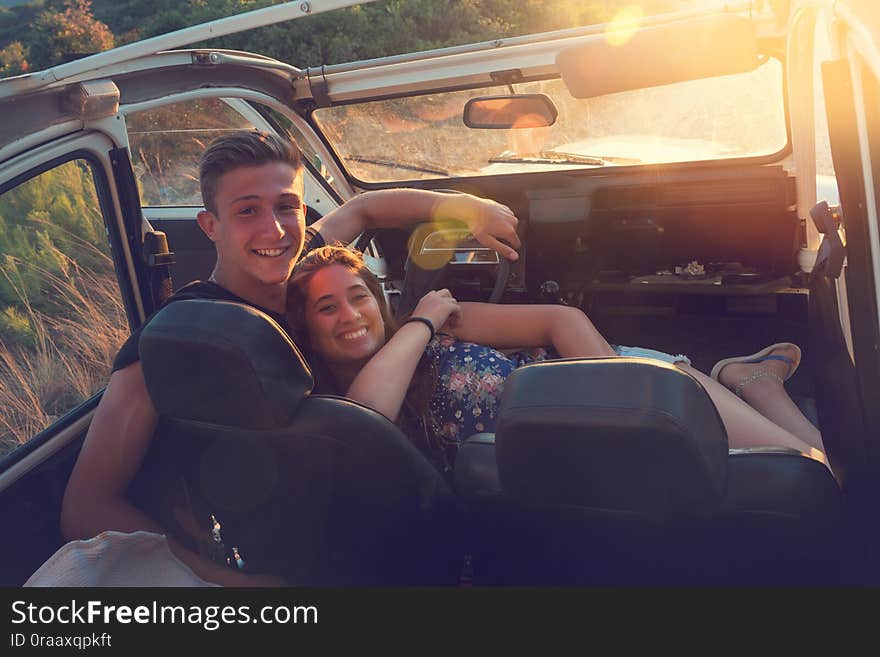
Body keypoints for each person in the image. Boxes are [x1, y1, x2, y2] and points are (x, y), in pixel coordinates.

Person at [60, 131, 522, 586]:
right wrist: (228, 585)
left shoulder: (304, 272)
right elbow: (87, 507)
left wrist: (467, 206)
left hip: (367, 518)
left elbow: (363, 208)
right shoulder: (179, 337)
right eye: (247, 211)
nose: (274, 230)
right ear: (210, 226)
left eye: (285, 206)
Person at [287, 246, 827, 474]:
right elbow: (370, 416)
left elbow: (560, 322)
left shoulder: (443, 321)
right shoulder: (339, 404)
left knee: (815, 468)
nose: (351, 315)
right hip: (574, 464)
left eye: (359, 296)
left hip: (640, 391)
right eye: (327, 307)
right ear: (306, 326)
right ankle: (754, 381)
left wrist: (625, 404)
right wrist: (417, 326)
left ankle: (754, 383)